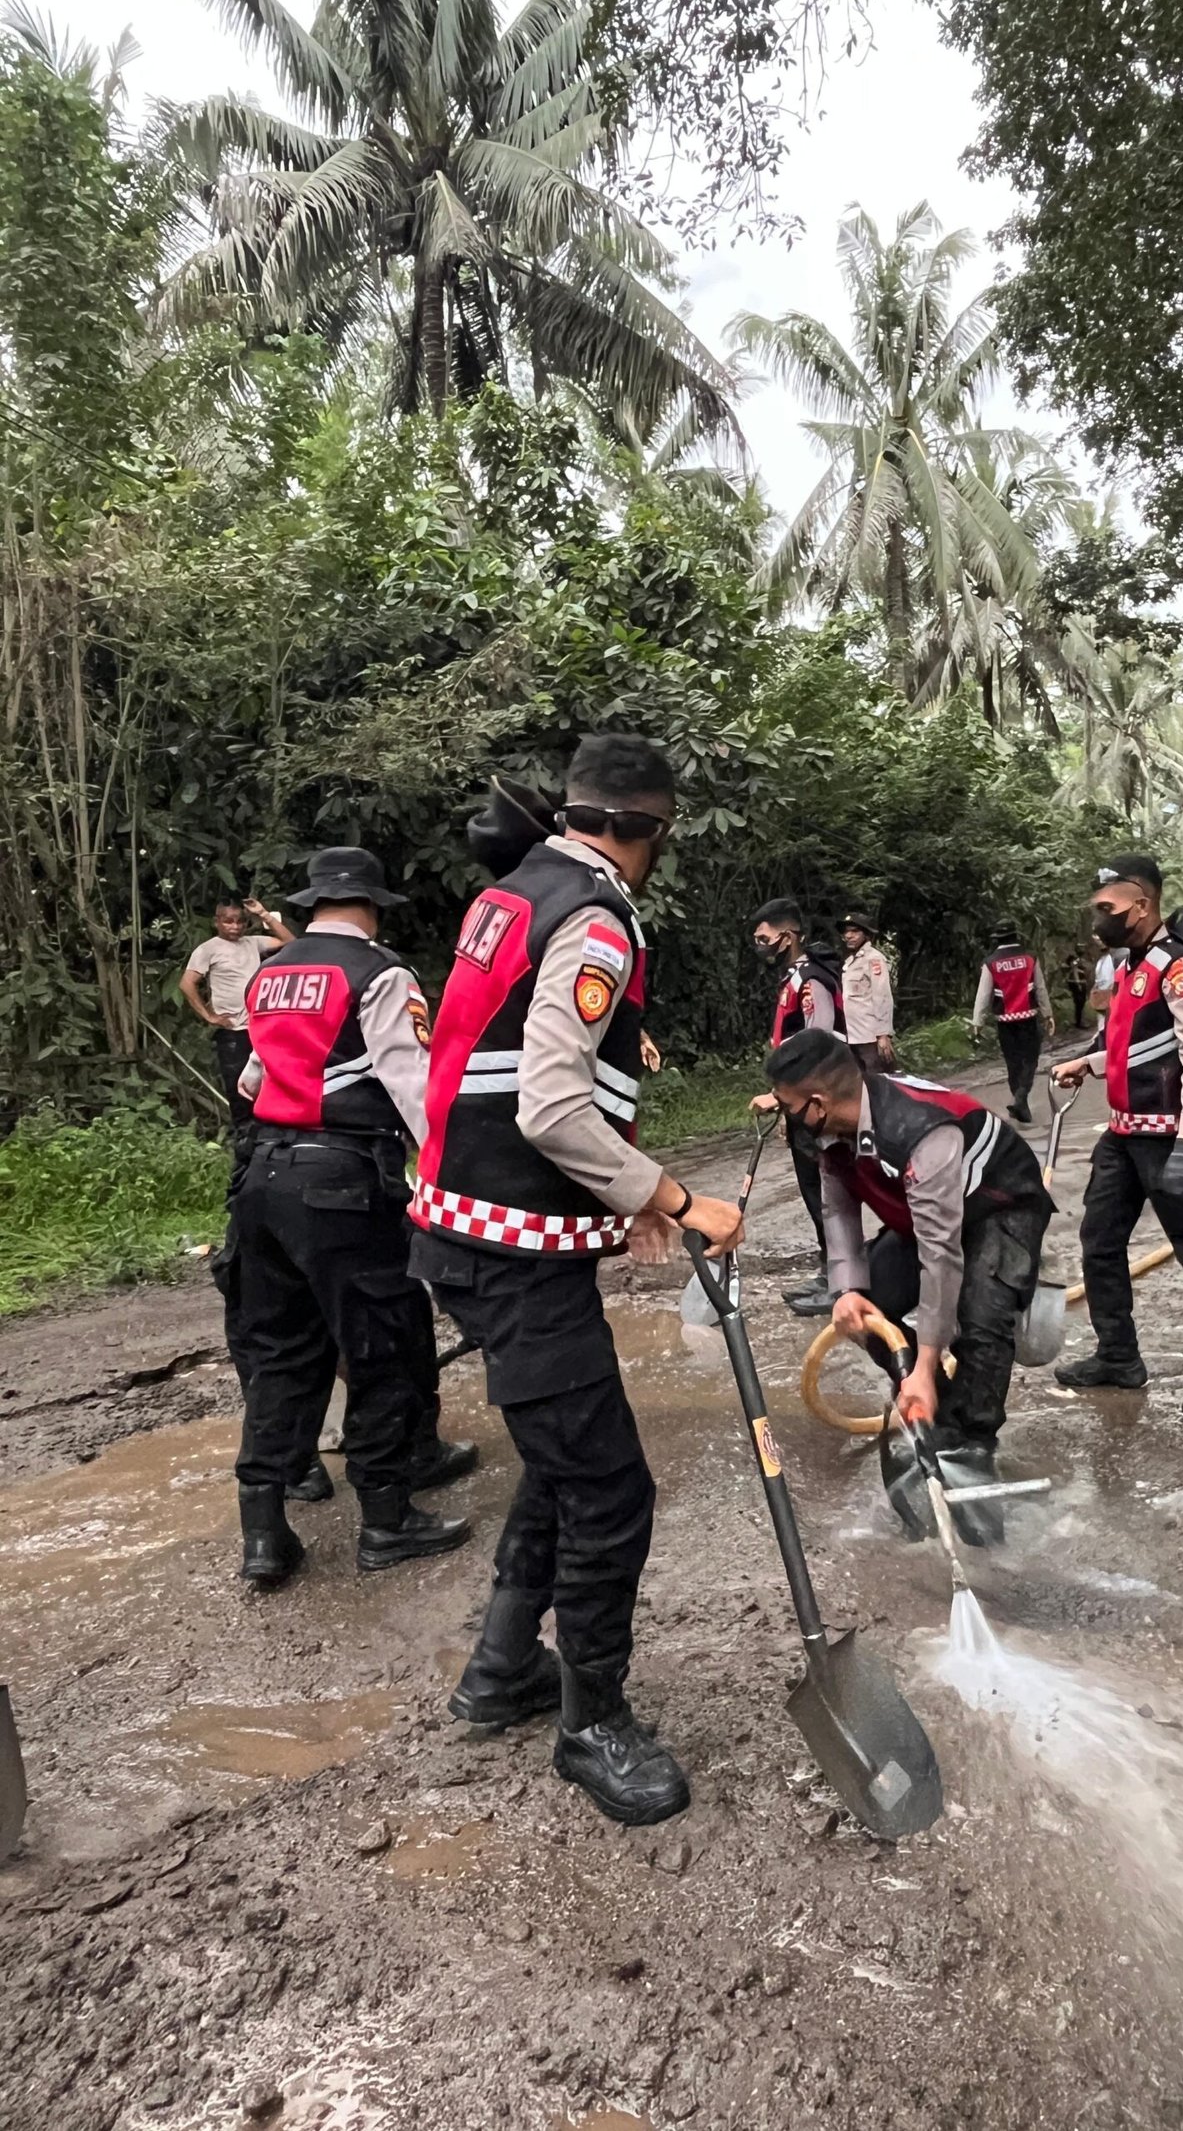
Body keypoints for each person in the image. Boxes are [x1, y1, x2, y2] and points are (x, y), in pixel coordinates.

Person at [410, 742, 745, 1828]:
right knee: (610, 1492)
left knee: (563, 1459)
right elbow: (549, 1105)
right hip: (511, 1255)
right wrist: (678, 1197)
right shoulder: (596, 921)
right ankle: (591, 1722)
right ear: (648, 829)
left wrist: (619, 1200)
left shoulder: (512, 894)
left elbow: (492, 1066)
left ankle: (505, 1667)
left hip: (470, 1229)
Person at [227, 848, 475, 1589]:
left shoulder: (271, 971)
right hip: (342, 1184)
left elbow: (251, 1079)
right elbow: (413, 1086)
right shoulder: (380, 973)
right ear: (371, 906)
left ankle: (264, 1534)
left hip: (262, 1178)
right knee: (382, 1344)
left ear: (312, 905)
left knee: (280, 1352)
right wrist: (454, 1181)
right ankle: (387, 1519)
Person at [767, 1029, 1054, 1546]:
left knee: (983, 1327)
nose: (785, 1117)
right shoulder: (827, 1131)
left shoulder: (920, 1132)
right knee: (865, 1309)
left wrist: (925, 1363)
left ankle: (971, 1448)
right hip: (924, 1214)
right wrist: (847, 1289)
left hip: (997, 1205)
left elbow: (940, 1255)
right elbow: (838, 1209)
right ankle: (935, 1415)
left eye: (788, 1107)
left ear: (818, 1103)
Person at [1051, 853, 1183, 1425]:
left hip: (1169, 1137)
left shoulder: (1178, 968)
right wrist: (1088, 1063)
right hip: (1123, 1134)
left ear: (1141, 905)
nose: (1099, 917)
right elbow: (1136, 1044)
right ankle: (1118, 1355)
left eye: (1108, 907)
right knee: (1099, 1242)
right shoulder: (1130, 966)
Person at [749, 898, 845, 1317]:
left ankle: (843, 1282)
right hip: (802, 1104)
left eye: (764, 938)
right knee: (813, 1191)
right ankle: (830, 1272)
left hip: (820, 1103)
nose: (760, 946)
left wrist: (782, 1096)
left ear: (786, 937)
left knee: (828, 1193)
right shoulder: (793, 978)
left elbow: (818, 1043)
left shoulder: (811, 980)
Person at [181, 898, 294, 1124]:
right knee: (239, 1091)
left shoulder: (252, 943)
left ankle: (264, 1134)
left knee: (267, 1084)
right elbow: (186, 983)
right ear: (216, 922)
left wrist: (263, 913)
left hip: (260, 1029)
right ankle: (243, 1137)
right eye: (228, 921)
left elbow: (290, 941)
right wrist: (209, 1016)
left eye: (240, 921)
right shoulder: (208, 949)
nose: (235, 926)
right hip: (233, 1032)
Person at [972, 925, 1055, 1124]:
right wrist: (1048, 1014)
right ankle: (1021, 1097)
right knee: (1030, 1060)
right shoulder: (1030, 958)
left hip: (1005, 1022)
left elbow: (983, 994)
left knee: (1013, 1063)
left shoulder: (991, 962)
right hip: (1028, 1019)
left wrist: (978, 1021)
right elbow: (1040, 989)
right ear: (1016, 936)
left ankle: (1019, 1101)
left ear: (997, 939)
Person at [840, 911, 897, 1074]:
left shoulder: (874, 959)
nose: (849, 936)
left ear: (866, 934)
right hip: (852, 1036)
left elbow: (882, 997)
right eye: (846, 932)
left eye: (855, 931)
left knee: (878, 1080)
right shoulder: (849, 962)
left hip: (870, 1037)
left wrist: (883, 1035)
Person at [1064, 951, 1091, 1030]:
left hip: (1079, 984)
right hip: (1078, 984)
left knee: (1080, 1004)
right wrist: (1078, 984)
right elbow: (1075, 973)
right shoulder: (1074, 965)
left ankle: (1079, 1021)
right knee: (1080, 1003)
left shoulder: (1077, 965)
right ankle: (1080, 1022)